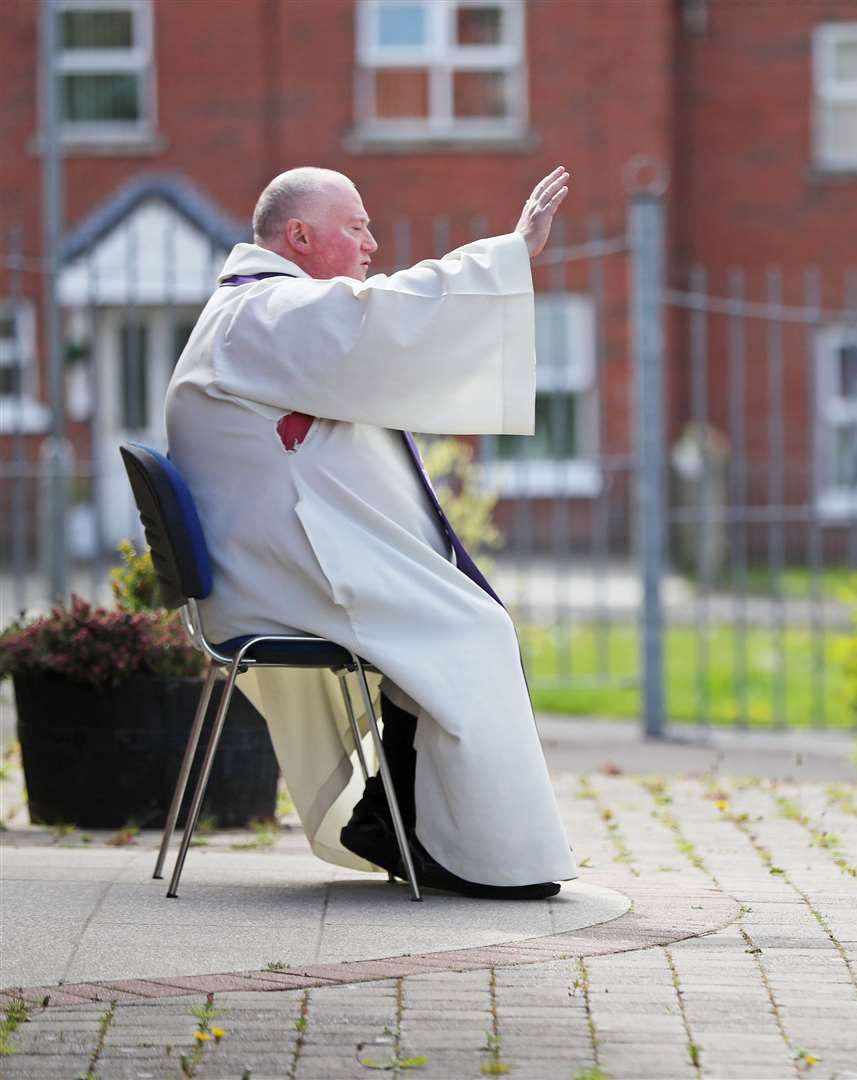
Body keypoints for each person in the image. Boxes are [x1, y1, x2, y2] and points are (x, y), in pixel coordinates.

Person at [165, 166, 576, 899]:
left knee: (452, 622)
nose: (371, 243)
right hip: (278, 576)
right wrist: (508, 254)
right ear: (298, 236)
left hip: (272, 565)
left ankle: (394, 822)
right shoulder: (264, 311)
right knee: (473, 628)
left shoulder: (253, 313)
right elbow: (377, 318)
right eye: (354, 226)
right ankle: (468, 854)